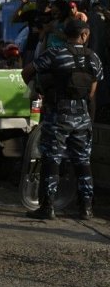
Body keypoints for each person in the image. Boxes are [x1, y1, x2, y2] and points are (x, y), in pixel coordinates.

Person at [22, 20, 103, 220]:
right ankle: (86, 208)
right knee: (83, 162)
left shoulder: (54, 53)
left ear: (65, 35)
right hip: (82, 116)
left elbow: (27, 72)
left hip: (58, 114)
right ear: (84, 35)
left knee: (52, 159)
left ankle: (47, 207)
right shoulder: (94, 58)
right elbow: (92, 91)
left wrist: (39, 90)